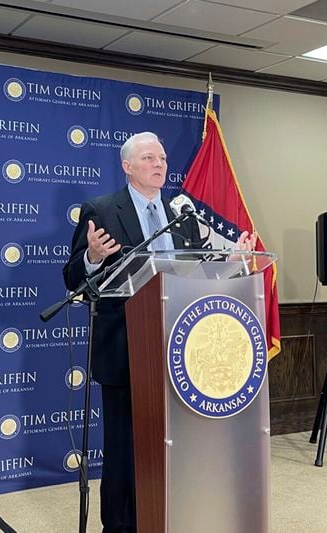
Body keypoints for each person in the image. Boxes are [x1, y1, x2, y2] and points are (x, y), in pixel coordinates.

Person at [62, 131, 255, 532]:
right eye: (149, 158)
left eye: (163, 158)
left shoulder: (181, 212)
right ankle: (119, 527)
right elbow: (73, 280)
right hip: (126, 350)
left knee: (177, 450)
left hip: (180, 349)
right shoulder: (100, 210)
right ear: (127, 166)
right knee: (126, 454)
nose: (160, 164)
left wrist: (233, 262)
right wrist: (92, 257)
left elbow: (198, 272)